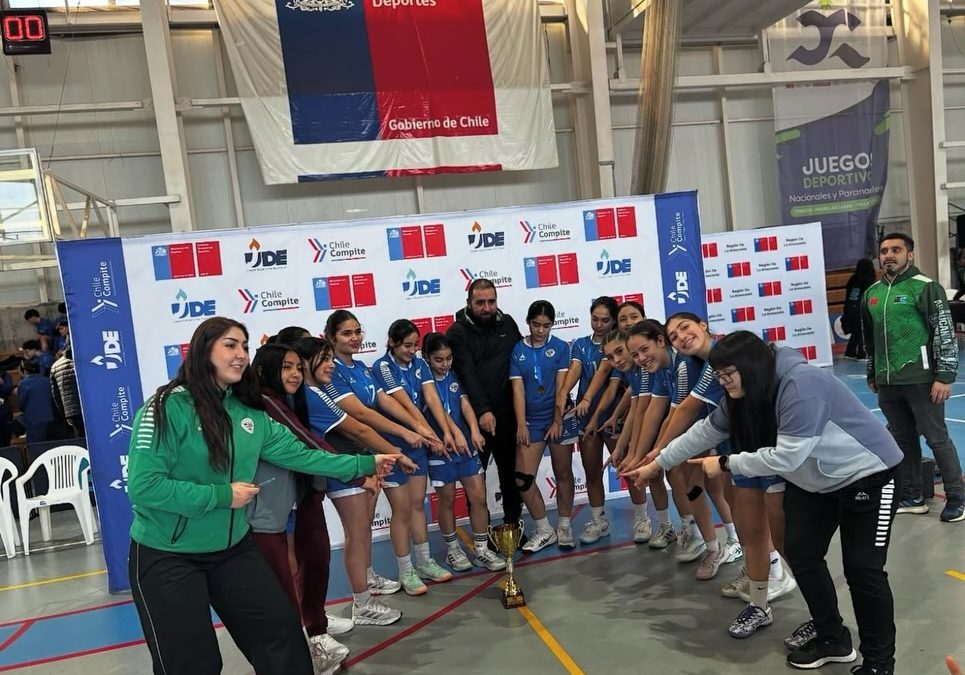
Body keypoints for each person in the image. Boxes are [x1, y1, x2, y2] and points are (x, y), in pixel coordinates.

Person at [126, 317, 398, 675]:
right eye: (230, 345)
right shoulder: (165, 407)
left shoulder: (247, 413)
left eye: (244, 346)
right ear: (203, 351)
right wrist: (222, 496)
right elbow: (145, 486)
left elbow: (302, 454)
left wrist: (364, 463)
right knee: (195, 663)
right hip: (168, 554)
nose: (241, 354)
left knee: (282, 638)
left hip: (232, 549)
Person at [630, 331, 902, 674]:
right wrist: (657, 464)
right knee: (801, 554)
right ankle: (833, 638)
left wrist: (726, 463)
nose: (722, 382)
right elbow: (705, 432)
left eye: (727, 375)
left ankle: (879, 664)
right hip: (816, 483)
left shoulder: (801, 386)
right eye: (718, 375)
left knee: (863, 570)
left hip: (870, 477)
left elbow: (787, 457)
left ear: (750, 367)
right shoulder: (745, 391)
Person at [639, 314, 795, 638]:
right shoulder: (697, 367)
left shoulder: (732, 357)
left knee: (781, 534)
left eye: (685, 327)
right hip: (734, 450)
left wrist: (657, 450)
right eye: (674, 335)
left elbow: (685, 410)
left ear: (703, 325)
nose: (681, 337)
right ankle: (761, 596)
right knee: (748, 522)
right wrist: (659, 457)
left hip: (768, 452)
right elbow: (701, 424)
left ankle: (789, 584)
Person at [249, 341, 385, 674]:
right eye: (287, 367)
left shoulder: (287, 400)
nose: (296, 374)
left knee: (310, 566)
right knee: (283, 583)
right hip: (268, 513)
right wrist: (360, 471)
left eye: (298, 367)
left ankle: (313, 636)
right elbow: (308, 447)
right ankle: (305, 648)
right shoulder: (266, 403)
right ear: (265, 370)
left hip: (294, 501)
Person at [294, 335, 416, 629]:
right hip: (343, 469)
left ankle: (365, 591)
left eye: (330, 359)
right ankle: (362, 604)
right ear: (306, 362)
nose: (330, 365)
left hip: (351, 464)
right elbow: (358, 428)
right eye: (324, 359)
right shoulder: (311, 394)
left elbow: (355, 429)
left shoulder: (316, 390)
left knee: (360, 533)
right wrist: (396, 453)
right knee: (356, 534)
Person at [321, 310, 441, 597]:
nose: (354, 338)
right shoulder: (331, 370)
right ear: (331, 337)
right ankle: (375, 583)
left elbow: (383, 400)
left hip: (372, 453)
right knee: (360, 526)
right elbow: (361, 415)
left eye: (357, 332)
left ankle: (389, 570)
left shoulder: (361, 367)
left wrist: (416, 427)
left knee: (392, 513)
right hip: (353, 456)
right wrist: (404, 434)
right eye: (346, 333)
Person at [862, 232, 965, 522]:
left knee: (937, 438)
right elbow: (870, 339)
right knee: (902, 440)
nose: (889, 255)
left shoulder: (926, 287)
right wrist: (873, 372)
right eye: (884, 250)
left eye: (896, 250)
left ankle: (957, 497)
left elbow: (944, 332)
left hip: (922, 379)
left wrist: (945, 375)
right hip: (888, 383)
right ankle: (913, 496)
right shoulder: (872, 293)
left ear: (910, 254)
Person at [372, 319, 456, 594]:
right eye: (406, 345)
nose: (411, 350)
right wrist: (431, 435)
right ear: (392, 343)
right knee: (402, 509)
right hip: (393, 448)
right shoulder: (383, 367)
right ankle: (406, 570)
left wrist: (444, 432)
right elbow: (407, 406)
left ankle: (424, 562)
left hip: (418, 446)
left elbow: (431, 398)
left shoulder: (420, 363)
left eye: (415, 345)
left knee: (418, 504)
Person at [421, 332, 506, 572]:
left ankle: (481, 549)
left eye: (448, 358)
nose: (445, 364)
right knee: (447, 500)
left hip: (466, 446)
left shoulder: (456, 373)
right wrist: (453, 434)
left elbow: (465, 404)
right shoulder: (421, 380)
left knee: (478, 497)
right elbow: (438, 411)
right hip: (441, 450)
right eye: (438, 359)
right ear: (426, 357)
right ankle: (452, 550)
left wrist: (474, 431)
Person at [447, 279, 523, 526]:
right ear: (469, 303)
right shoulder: (457, 332)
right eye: (480, 303)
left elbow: (521, 363)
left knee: (510, 475)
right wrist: (483, 411)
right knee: (475, 482)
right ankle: (483, 534)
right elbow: (467, 374)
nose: (487, 308)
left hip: (508, 416)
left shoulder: (508, 324)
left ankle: (513, 527)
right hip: (474, 420)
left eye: (491, 301)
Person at [510, 300, 575, 552]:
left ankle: (565, 525)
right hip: (531, 421)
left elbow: (562, 387)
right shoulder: (518, 350)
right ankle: (545, 529)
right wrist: (521, 424)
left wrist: (558, 420)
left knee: (563, 473)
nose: (540, 330)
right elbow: (517, 389)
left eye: (546, 326)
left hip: (558, 417)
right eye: (536, 325)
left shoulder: (560, 347)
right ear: (528, 322)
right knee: (523, 479)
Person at [555, 297, 621, 545]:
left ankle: (641, 519)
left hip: (614, 416)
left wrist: (586, 400)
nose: (599, 325)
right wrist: (563, 394)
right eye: (595, 319)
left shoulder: (617, 345)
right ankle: (599, 521)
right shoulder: (581, 344)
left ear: (613, 321)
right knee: (592, 472)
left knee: (627, 469)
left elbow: (606, 377)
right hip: (586, 420)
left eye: (605, 320)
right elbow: (575, 370)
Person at [13, 358, 54, 444]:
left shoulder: (23, 383)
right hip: (51, 418)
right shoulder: (47, 380)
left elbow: (21, 405)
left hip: (34, 420)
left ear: (24, 370)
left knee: (36, 448)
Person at [841, 258, 875, 359]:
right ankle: (862, 354)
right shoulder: (868, 279)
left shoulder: (853, 278)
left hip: (849, 306)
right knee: (863, 330)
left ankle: (849, 352)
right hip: (860, 307)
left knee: (856, 331)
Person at [50, 347, 84, 438]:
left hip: (72, 411)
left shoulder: (55, 366)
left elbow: (56, 395)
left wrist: (65, 414)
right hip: (93, 407)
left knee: (80, 438)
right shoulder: (87, 359)